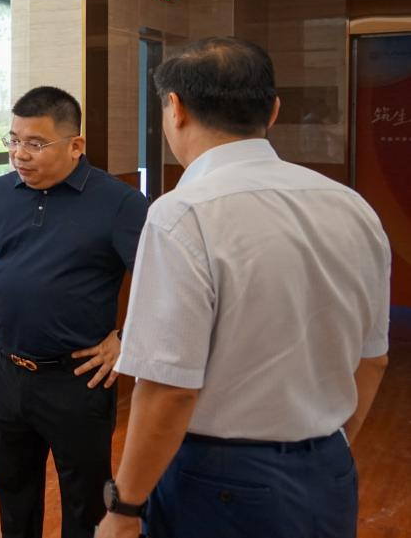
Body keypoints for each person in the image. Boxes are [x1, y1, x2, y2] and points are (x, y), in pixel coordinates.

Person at [96, 37, 391, 538]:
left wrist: (124, 509)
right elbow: (374, 360)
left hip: (220, 481)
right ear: (273, 111)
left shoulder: (182, 214)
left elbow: (169, 390)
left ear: (175, 108)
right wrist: (325, 446)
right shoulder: (353, 207)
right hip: (328, 471)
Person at [0, 86, 148, 538]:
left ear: (75, 145)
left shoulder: (120, 203)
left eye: (36, 144)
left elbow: (158, 280)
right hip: (5, 368)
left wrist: (125, 339)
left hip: (77, 378)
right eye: (14, 140)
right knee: (13, 490)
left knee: (85, 501)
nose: (19, 154)